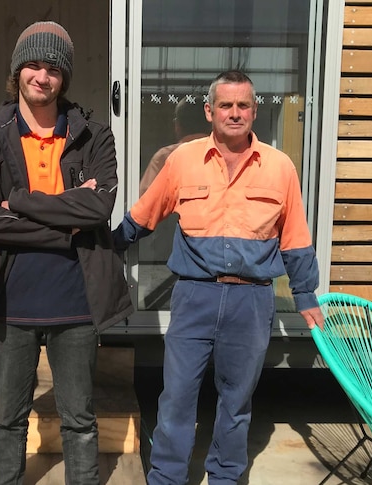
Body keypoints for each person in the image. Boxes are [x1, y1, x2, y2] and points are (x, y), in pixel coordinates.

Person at [113, 70, 325, 484]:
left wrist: (305, 294)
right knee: (176, 396)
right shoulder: (182, 159)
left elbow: (296, 236)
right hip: (195, 296)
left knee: (236, 400)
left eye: (242, 105)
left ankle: (226, 476)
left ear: (254, 111)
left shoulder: (280, 167)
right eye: (225, 105)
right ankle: (167, 477)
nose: (234, 113)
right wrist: (102, 245)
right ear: (209, 111)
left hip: (252, 301)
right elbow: (144, 214)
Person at [0, 20, 134, 485]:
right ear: (17, 71)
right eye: (33, 65)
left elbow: (99, 207)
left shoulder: (94, 135)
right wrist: (69, 224)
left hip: (77, 302)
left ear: (65, 77)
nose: (43, 76)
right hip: (10, 301)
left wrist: (17, 201)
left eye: (53, 68)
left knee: (80, 419)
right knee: (7, 420)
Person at [139, 100, 211, 196]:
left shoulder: (164, 157)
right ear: (211, 123)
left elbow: (146, 200)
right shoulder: (224, 155)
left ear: (177, 125)